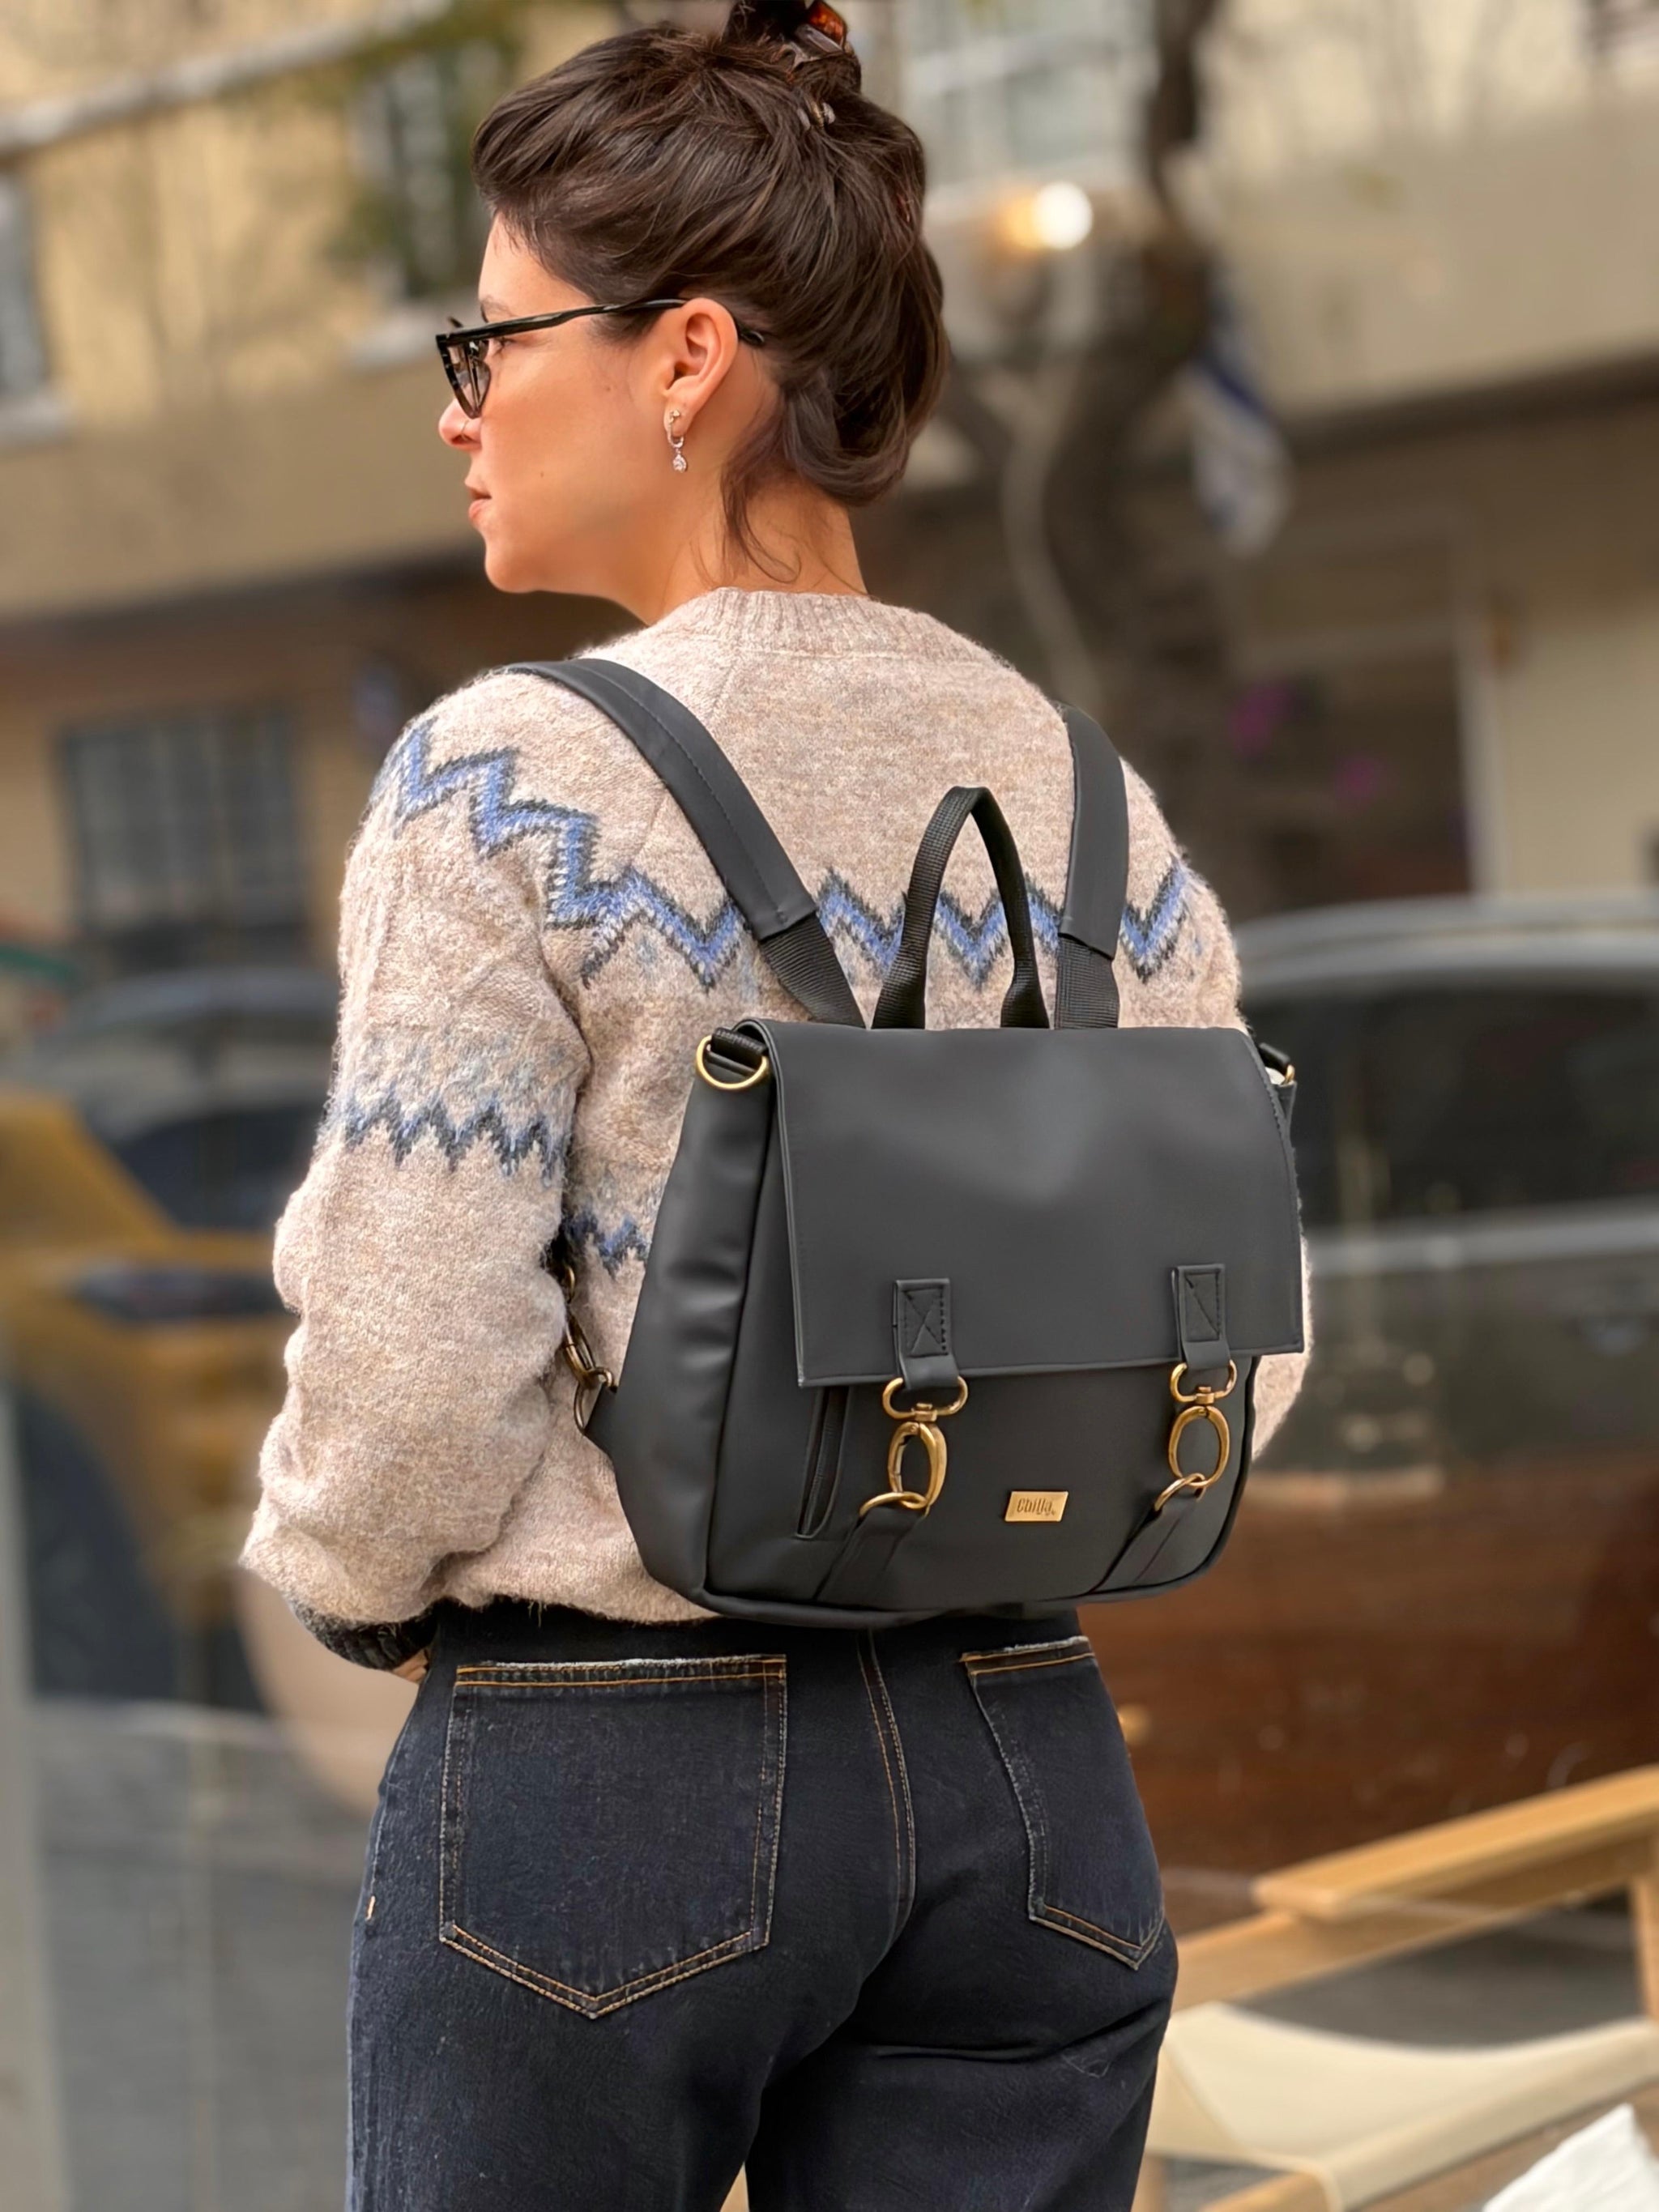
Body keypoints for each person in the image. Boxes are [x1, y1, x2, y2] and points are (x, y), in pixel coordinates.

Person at [242, 6, 1308, 2206]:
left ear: (686, 356)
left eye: (490, 339)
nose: (457, 407)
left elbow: (415, 1377)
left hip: (607, 1786)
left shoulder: (506, 785)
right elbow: (1241, 1340)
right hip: (1032, 1774)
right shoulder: (1083, 797)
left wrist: (354, 1586)